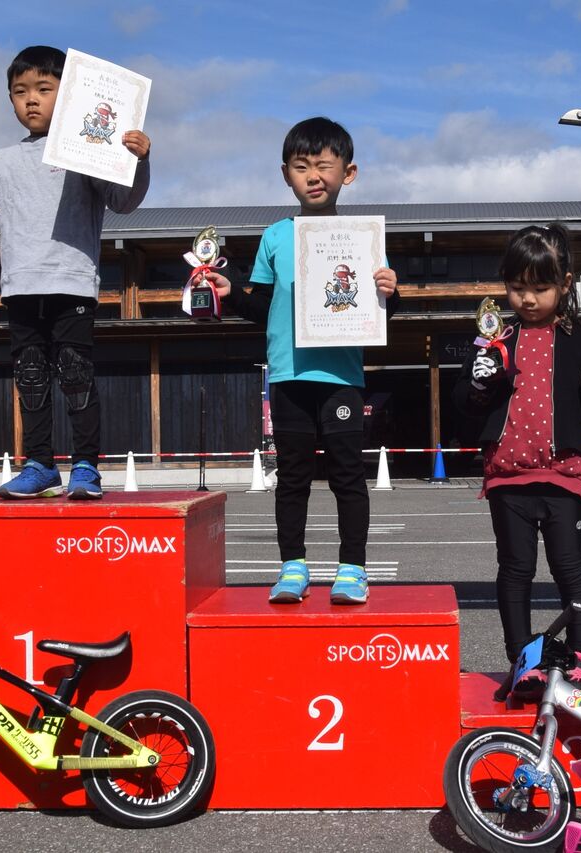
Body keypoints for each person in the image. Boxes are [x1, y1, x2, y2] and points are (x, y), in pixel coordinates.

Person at [0, 46, 151, 500]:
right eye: (20, 91)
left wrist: (138, 161)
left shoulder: (88, 152)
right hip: (21, 285)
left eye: (44, 89)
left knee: (75, 374)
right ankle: (40, 464)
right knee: (30, 376)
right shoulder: (2, 160)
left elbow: (123, 201)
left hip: (71, 282)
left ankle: (86, 466)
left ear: (69, 94)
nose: (31, 100)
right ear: (10, 100)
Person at [204, 117, 399, 605]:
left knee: (348, 475)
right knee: (291, 476)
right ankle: (292, 566)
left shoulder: (362, 237)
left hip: (341, 375)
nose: (313, 176)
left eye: (324, 166)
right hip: (288, 373)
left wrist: (391, 293)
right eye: (301, 166)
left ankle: (353, 569)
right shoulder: (275, 236)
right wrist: (231, 294)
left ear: (348, 173)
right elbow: (261, 307)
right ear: (285, 174)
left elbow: (377, 311)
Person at [452, 224, 581, 693]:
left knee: (571, 567)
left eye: (540, 288)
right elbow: (465, 402)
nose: (527, 298)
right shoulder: (497, 339)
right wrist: (479, 383)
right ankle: (522, 660)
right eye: (517, 287)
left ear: (565, 284)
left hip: (565, 472)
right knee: (515, 569)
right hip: (508, 474)